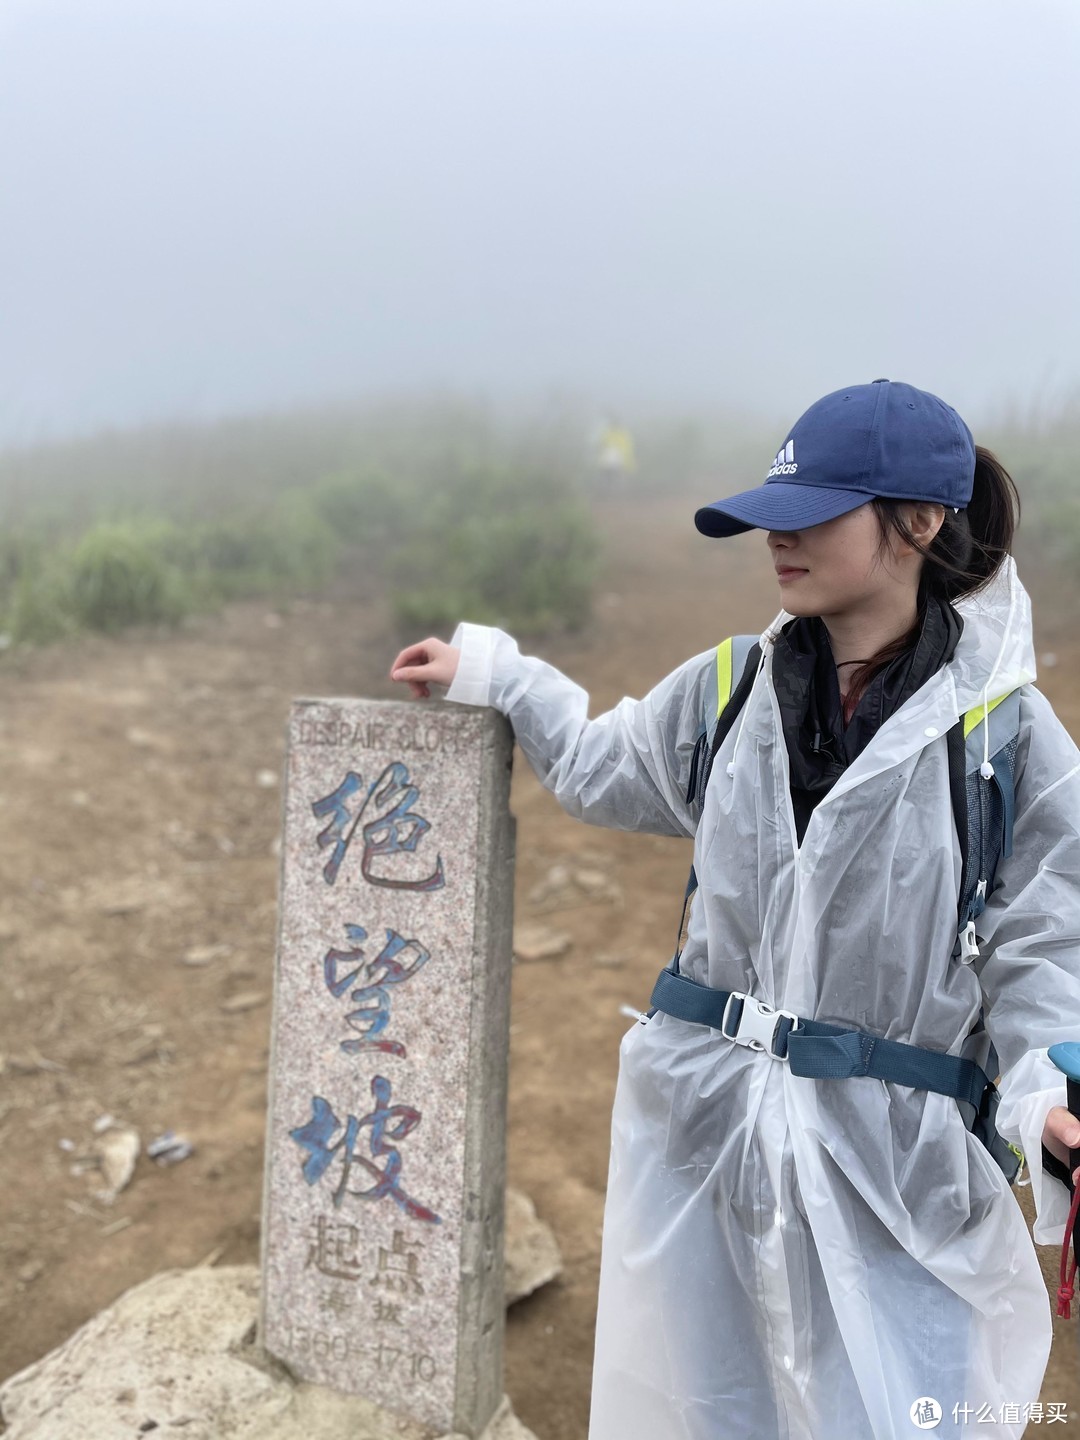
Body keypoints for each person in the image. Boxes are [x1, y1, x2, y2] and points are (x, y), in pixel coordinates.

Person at [389, 379, 1080, 1439]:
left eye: (815, 512)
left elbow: (1043, 940)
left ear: (921, 522)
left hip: (898, 1181)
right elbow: (594, 765)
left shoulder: (1007, 742)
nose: (776, 537)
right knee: (714, 1406)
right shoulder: (729, 692)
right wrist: (496, 674)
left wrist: (1048, 1098)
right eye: (772, 511)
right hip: (712, 1153)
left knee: (896, 1408)